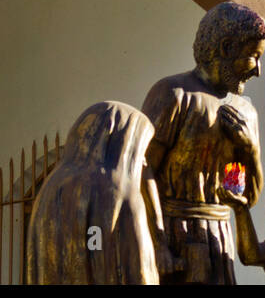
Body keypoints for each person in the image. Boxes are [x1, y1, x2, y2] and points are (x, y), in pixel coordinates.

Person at [141, 1, 265, 284]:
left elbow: (249, 198)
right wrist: (158, 242)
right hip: (175, 233)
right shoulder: (173, 94)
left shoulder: (246, 112)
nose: (257, 70)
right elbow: (143, 168)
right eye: (252, 56)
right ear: (225, 49)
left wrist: (251, 149)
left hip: (219, 236)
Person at [26, 101, 168, 284]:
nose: (144, 162)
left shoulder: (51, 187)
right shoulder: (121, 189)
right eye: (142, 151)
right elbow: (140, 270)